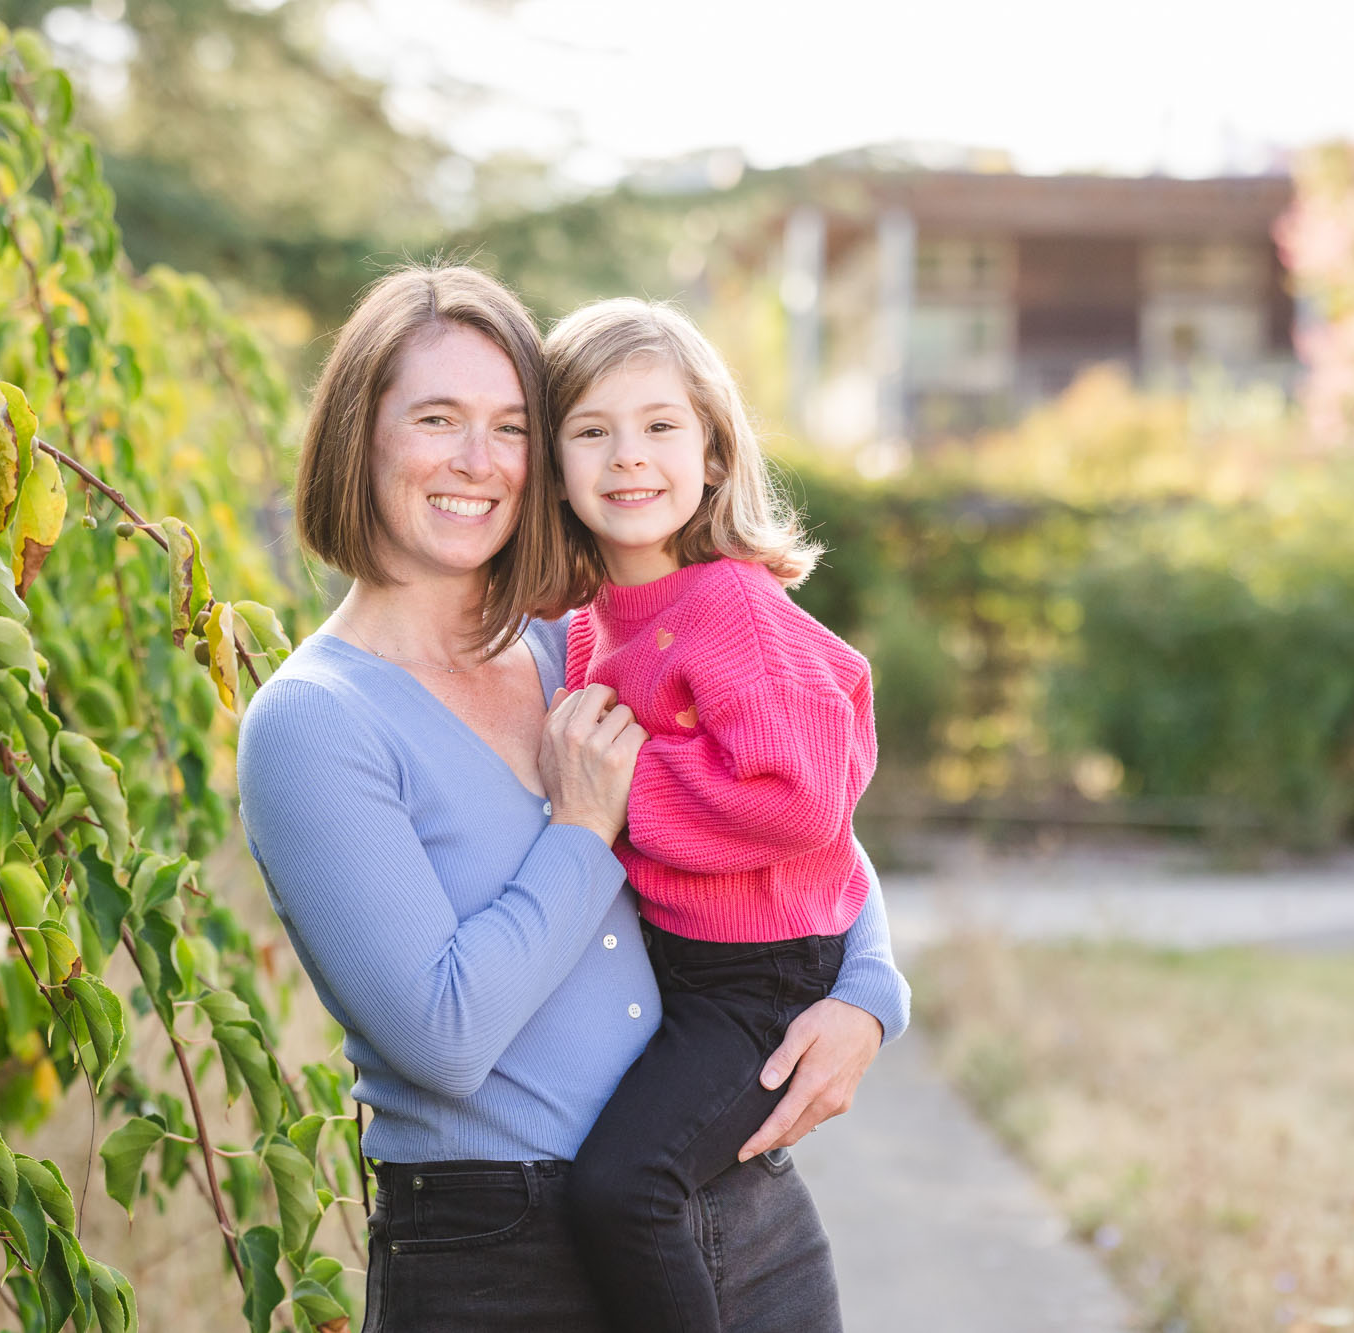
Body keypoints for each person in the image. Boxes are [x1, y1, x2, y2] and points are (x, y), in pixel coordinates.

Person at [234, 264, 909, 1333]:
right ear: (358, 438)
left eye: (508, 426)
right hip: (504, 1262)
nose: (476, 461)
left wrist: (868, 995)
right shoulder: (315, 721)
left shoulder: (572, 647)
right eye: (437, 418)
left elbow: (799, 820)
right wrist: (582, 827)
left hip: (738, 1212)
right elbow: (444, 1038)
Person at [539, 299, 878, 1333]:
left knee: (622, 1189)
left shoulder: (724, 604)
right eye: (590, 430)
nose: (626, 457)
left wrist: (618, 789)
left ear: (714, 453)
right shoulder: (592, 621)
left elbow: (802, 791)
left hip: (758, 974)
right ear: (550, 463)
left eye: (658, 427)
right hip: (682, 964)